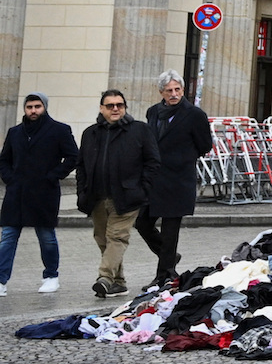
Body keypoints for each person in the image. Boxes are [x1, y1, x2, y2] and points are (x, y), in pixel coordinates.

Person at [73, 89, 156, 298]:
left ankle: (105, 278)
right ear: (102, 109)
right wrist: (82, 190)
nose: (115, 109)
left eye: (119, 105)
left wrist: (142, 187)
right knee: (102, 239)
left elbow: (153, 161)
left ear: (125, 107)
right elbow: (81, 165)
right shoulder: (90, 133)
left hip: (127, 197)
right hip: (97, 197)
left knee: (117, 237)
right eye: (110, 106)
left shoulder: (139, 130)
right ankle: (118, 283)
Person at [138, 71, 214, 286]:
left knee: (170, 230)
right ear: (161, 92)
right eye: (169, 90)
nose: (173, 94)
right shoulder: (153, 112)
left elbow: (205, 144)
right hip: (154, 178)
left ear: (182, 90)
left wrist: (184, 157)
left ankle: (164, 275)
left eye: (177, 90)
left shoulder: (194, 114)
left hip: (178, 179)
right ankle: (170, 257)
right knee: (143, 223)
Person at [0, 93, 79, 296]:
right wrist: (10, 178)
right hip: (16, 194)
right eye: (29, 107)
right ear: (24, 109)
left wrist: (52, 176)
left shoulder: (59, 130)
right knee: (8, 237)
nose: (33, 111)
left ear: (44, 107)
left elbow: (73, 157)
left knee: (46, 237)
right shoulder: (15, 132)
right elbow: (4, 160)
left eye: (37, 106)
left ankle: (51, 276)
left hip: (44, 193)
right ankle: (1, 280)